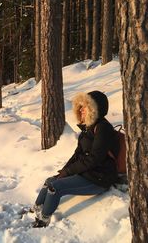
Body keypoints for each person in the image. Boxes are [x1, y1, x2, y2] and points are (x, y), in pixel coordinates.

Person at [31, 91, 119, 228]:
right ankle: (36, 209)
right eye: (80, 107)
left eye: (85, 107)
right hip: (87, 172)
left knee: (56, 187)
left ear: (95, 109)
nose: (81, 110)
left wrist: (68, 173)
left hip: (99, 177)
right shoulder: (87, 129)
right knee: (50, 180)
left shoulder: (103, 128)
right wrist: (65, 171)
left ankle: (43, 220)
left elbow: (94, 159)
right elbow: (77, 154)